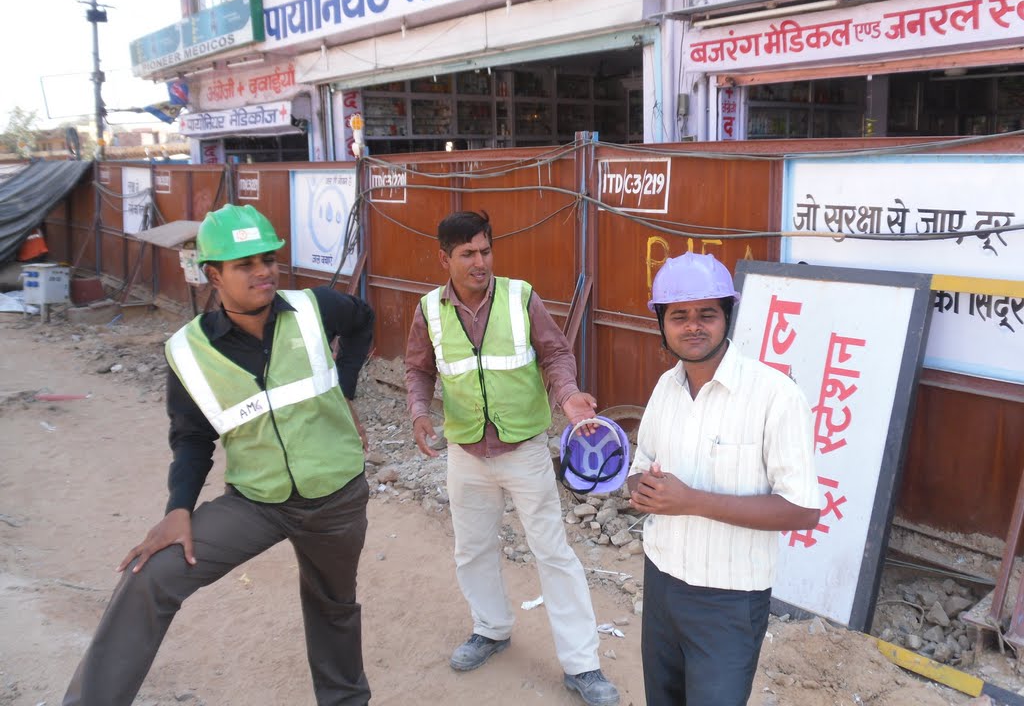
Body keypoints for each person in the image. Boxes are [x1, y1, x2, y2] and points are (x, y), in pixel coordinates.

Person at [63, 204, 376, 706]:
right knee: (152, 576)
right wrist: (178, 509)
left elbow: (362, 320)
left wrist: (346, 390)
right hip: (256, 502)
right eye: (245, 264)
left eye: (268, 258)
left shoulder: (317, 308)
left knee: (333, 608)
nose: (263, 271)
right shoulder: (188, 351)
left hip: (337, 497)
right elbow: (191, 437)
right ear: (214, 275)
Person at [404, 211, 620, 706]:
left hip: (524, 451)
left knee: (553, 553)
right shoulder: (428, 311)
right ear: (445, 258)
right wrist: (418, 411)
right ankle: (491, 628)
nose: (480, 262)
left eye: (485, 251)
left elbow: (556, 354)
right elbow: (418, 369)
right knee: (472, 548)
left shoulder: (521, 297)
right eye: (467, 254)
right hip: (466, 454)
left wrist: (568, 398)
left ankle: (583, 665)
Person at [627, 252, 821, 706]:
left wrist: (690, 500)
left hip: (729, 600)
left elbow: (803, 509)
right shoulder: (665, 389)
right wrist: (643, 491)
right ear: (662, 324)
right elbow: (640, 469)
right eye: (679, 316)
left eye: (706, 314)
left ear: (727, 318)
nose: (693, 326)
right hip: (661, 585)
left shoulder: (775, 396)